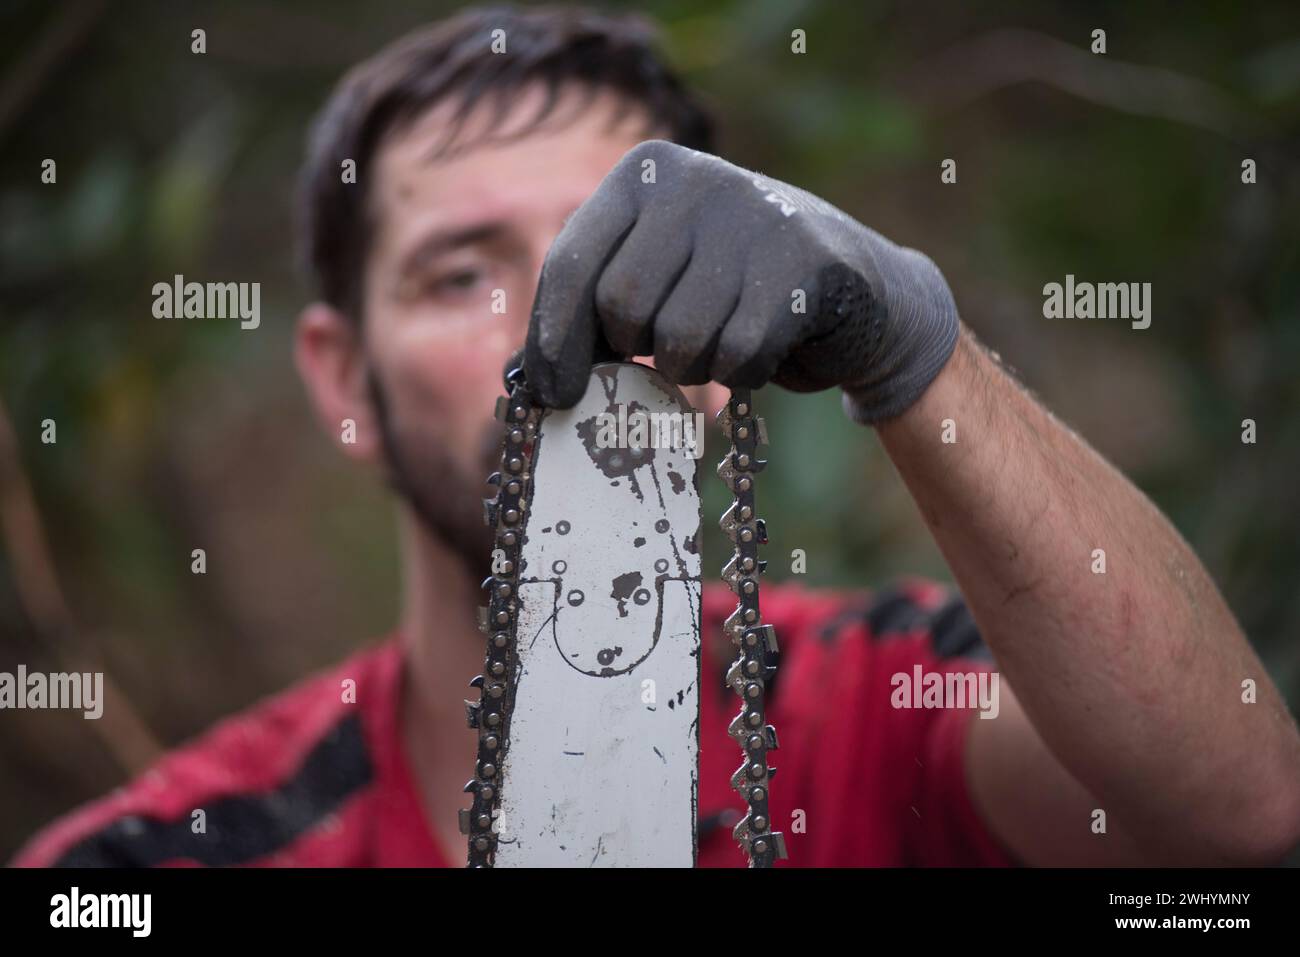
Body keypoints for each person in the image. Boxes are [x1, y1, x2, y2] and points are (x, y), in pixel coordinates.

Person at [14, 5, 1300, 868]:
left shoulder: (884, 699)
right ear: (342, 379)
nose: (552, 322)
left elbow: (1242, 814)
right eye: (462, 273)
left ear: (731, 353)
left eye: (638, 258)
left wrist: (913, 343)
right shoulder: (159, 858)